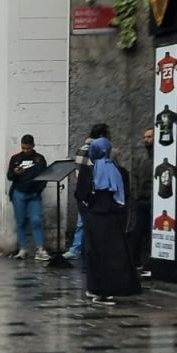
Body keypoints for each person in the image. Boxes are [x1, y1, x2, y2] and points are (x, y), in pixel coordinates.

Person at [75, 137, 140, 305]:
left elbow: (81, 194)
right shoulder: (118, 170)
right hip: (112, 217)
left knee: (94, 253)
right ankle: (106, 289)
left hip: (95, 216)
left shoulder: (88, 171)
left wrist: (90, 201)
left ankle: (95, 287)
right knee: (111, 255)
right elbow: (124, 194)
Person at [66, 124, 110, 260]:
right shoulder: (96, 149)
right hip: (91, 191)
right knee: (86, 222)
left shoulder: (81, 149)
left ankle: (76, 248)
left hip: (82, 190)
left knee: (82, 221)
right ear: (102, 136)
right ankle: (80, 249)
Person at [7, 134, 50, 261]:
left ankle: (40, 249)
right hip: (19, 193)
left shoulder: (39, 159)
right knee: (20, 222)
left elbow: (45, 176)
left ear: (33, 146)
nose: (25, 150)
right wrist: (15, 172)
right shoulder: (16, 158)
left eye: (28, 148)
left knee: (36, 220)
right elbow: (9, 176)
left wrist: (39, 189)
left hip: (34, 194)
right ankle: (23, 249)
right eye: (23, 148)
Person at [130, 127, 155, 277]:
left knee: (148, 234)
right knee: (137, 232)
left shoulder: (156, 157)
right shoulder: (140, 157)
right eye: (145, 137)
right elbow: (135, 178)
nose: (146, 139)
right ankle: (137, 262)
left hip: (152, 200)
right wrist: (136, 196)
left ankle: (147, 263)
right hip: (142, 200)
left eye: (149, 137)